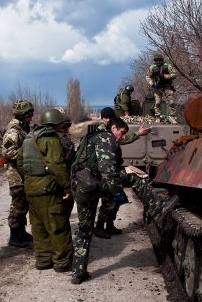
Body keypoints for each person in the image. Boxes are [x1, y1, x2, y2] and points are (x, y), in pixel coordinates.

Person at [70, 117, 129, 284]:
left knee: (84, 230)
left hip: (81, 185)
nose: (122, 137)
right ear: (114, 128)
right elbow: (108, 169)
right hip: (90, 188)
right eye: (122, 132)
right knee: (134, 176)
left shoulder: (91, 137)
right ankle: (157, 207)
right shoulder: (106, 137)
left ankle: (78, 272)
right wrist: (118, 192)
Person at [18, 108, 74, 272]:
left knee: (38, 226)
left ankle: (43, 260)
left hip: (31, 188)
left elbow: (20, 163)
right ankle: (62, 262)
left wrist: (30, 180)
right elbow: (57, 165)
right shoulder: (50, 137)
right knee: (58, 225)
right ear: (56, 123)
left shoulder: (29, 137)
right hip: (48, 189)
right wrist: (67, 187)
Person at [94, 107, 150, 238]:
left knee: (114, 202)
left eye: (110, 118)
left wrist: (137, 134)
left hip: (111, 170)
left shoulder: (112, 133)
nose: (108, 120)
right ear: (102, 119)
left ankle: (109, 224)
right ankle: (99, 226)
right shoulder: (103, 133)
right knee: (108, 201)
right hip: (105, 173)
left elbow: (123, 138)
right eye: (106, 118)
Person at [1, 100, 35, 248]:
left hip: (22, 171)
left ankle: (21, 231)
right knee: (18, 204)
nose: (31, 118)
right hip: (15, 174)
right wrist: (28, 156)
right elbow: (7, 152)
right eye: (29, 115)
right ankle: (14, 236)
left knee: (23, 203)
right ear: (22, 115)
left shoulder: (22, 128)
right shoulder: (13, 130)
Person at [145, 51, 177, 123]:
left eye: (160, 60)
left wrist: (164, 76)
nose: (158, 61)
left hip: (167, 86)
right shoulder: (152, 67)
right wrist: (151, 83)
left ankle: (172, 117)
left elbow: (174, 75)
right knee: (157, 102)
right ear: (155, 61)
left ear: (162, 60)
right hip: (157, 87)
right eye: (157, 60)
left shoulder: (167, 66)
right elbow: (147, 76)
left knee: (171, 102)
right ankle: (157, 117)